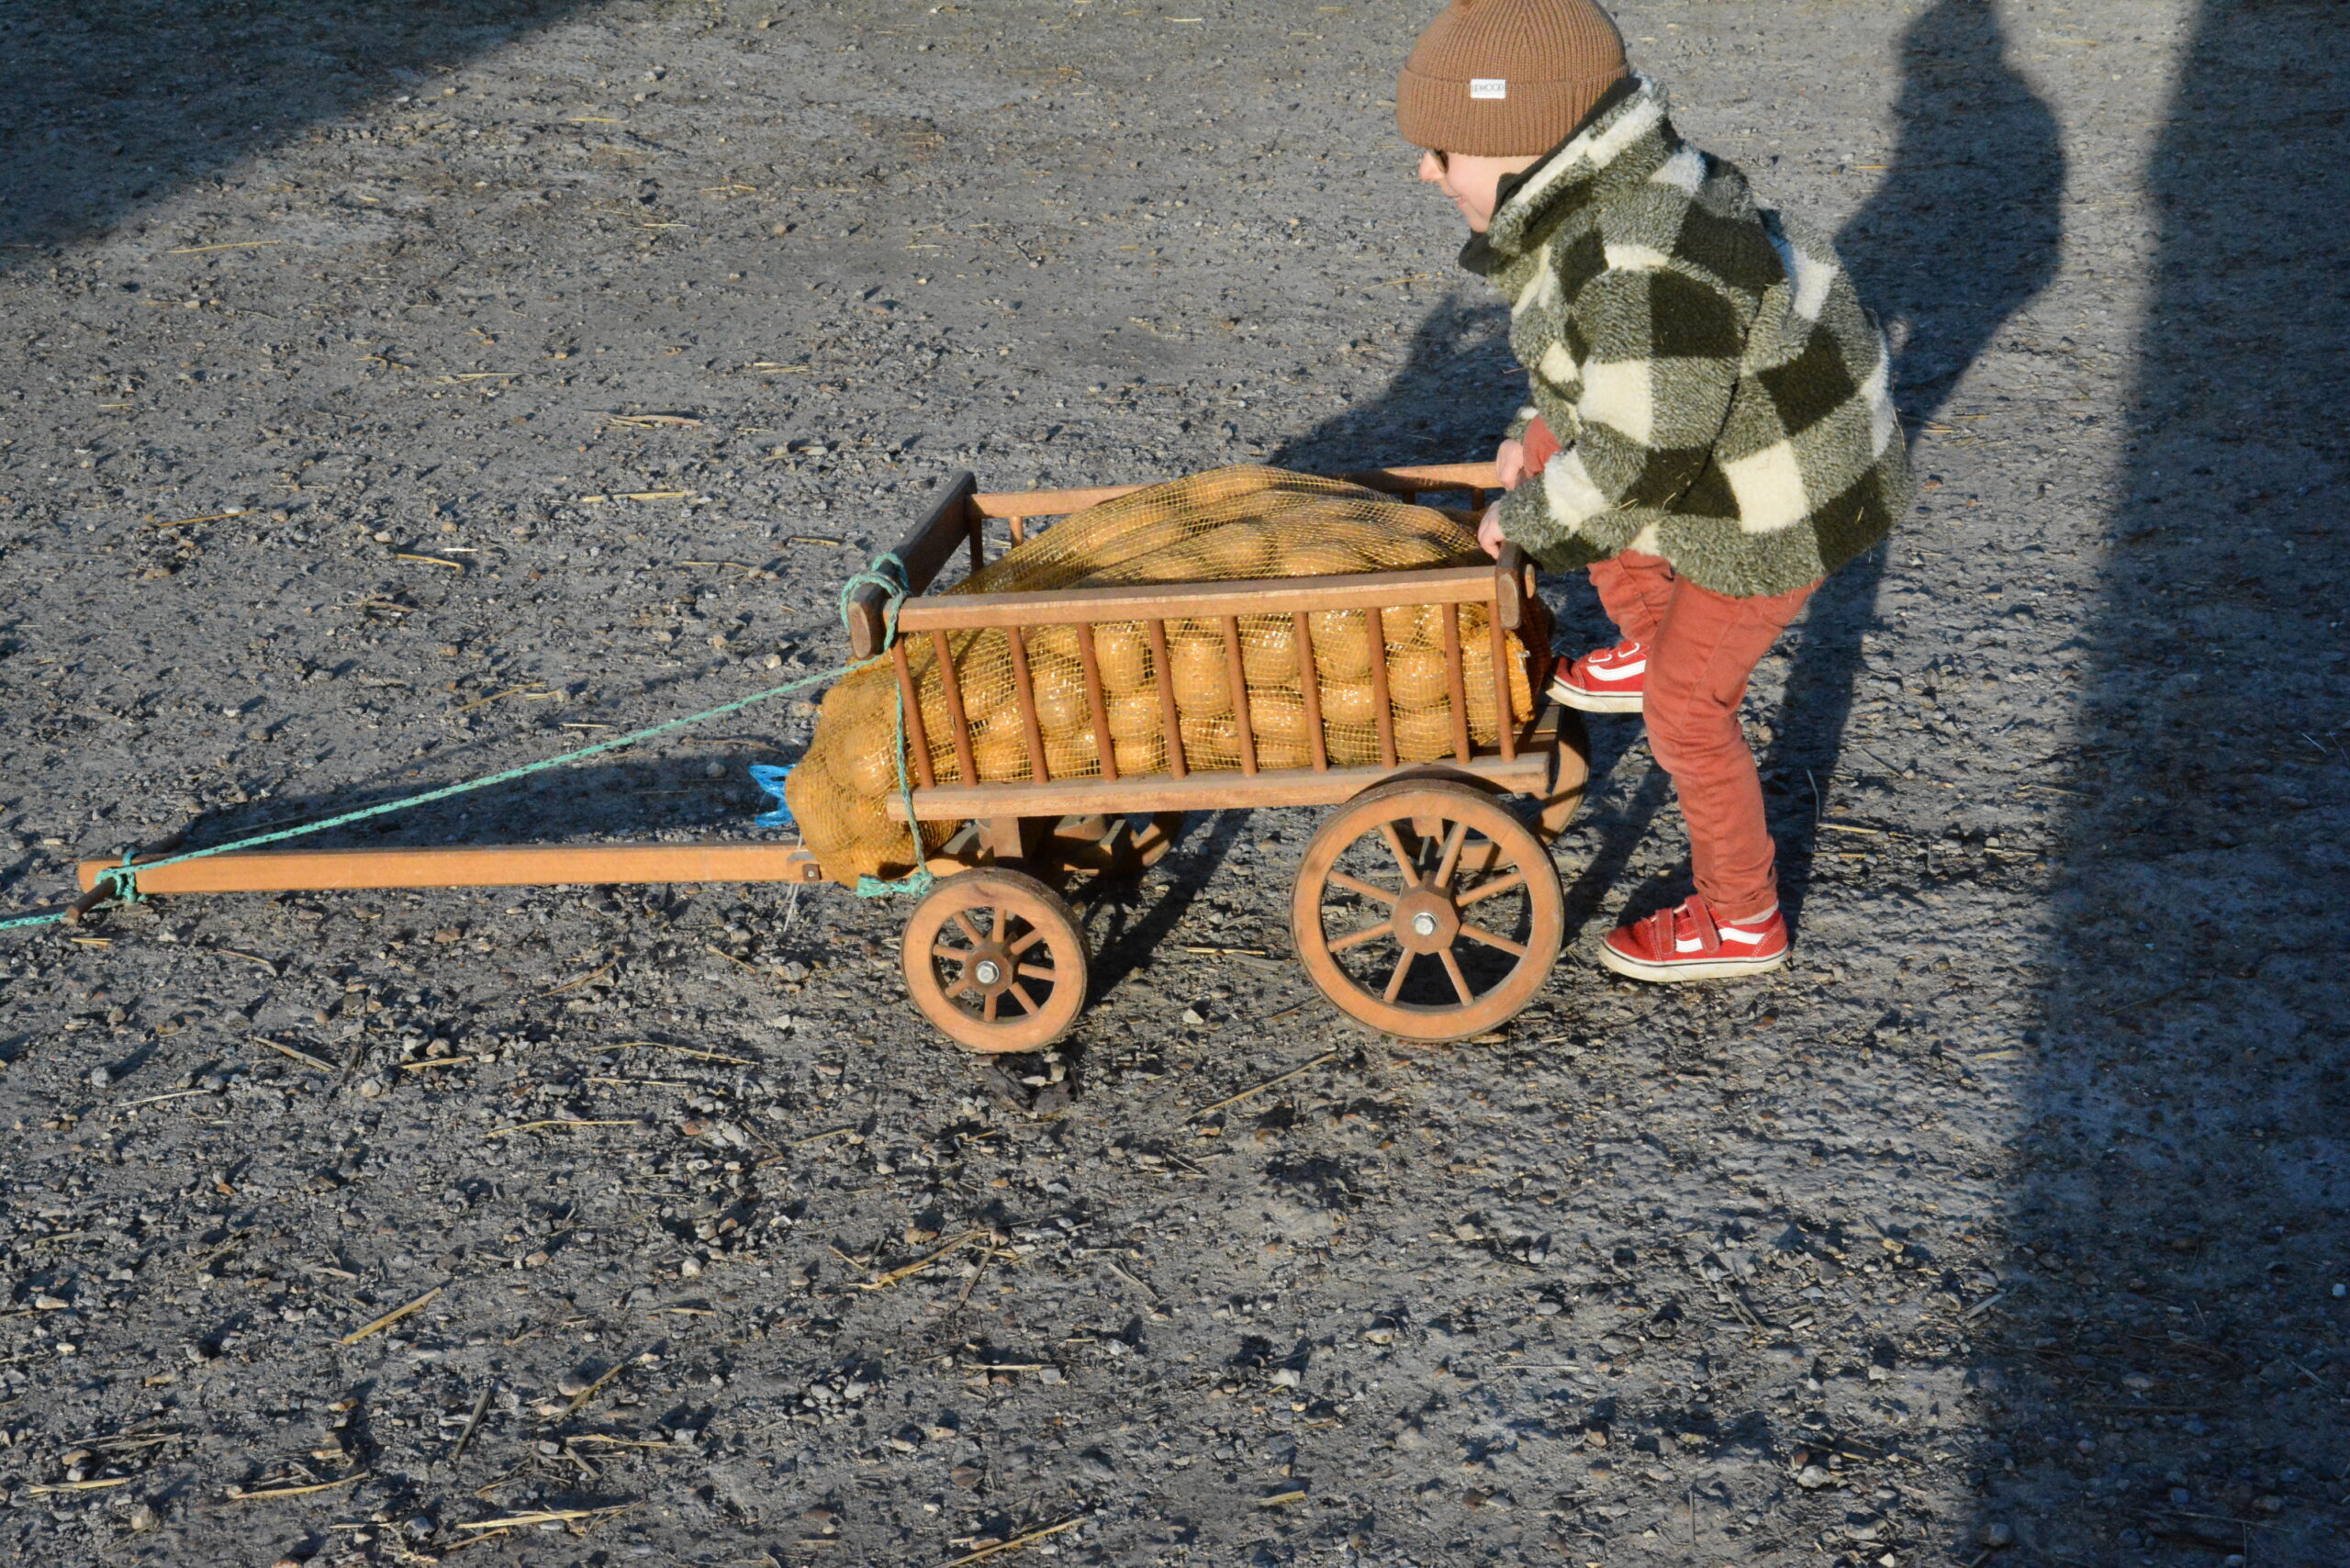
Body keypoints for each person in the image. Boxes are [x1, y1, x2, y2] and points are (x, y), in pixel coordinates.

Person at [1396, 0, 1911, 982]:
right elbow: (1591, 376)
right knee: (1554, 450)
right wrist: (1527, 437)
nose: (1425, 168)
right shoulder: (1599, 197)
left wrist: (1529, 519)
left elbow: (1635, 457)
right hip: (1728, 430)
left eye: (1443, 147)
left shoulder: (1638, 259)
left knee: (1686, 710)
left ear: (1520, 145)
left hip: (1774, 507)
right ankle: (1647, 637)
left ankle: (1739, 915)